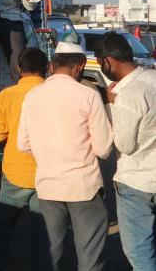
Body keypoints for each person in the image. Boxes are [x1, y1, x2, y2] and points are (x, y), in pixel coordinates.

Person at [17, 41, 114, 271]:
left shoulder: (32, 96)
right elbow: (104, 148)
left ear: (51, 65)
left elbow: (23, 144)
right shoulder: (87, 95)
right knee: (89, 256)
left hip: (48, 186)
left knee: (51, 253)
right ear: (80, 66)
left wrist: (48, 154)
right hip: (83, 188)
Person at [95, 32, 156, 270]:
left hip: (137, 182)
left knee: (140, 251)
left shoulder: (128, 95)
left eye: (101, 63)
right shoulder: (152, 78)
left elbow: (124, 144)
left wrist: (111, 104)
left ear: (108, 61)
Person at [0, 47, 50, 271]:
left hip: (15, 172)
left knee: (2, 230)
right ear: (47, 68)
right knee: (43, 235)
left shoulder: (5, 96)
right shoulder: (53, 95)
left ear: (18, 69)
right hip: (47, 174)